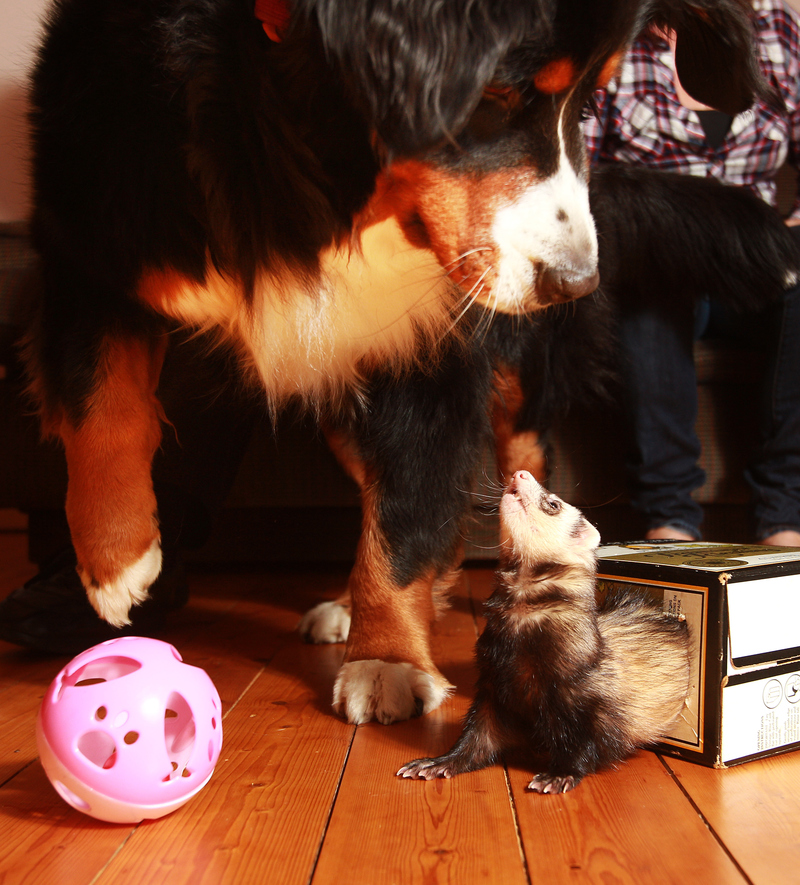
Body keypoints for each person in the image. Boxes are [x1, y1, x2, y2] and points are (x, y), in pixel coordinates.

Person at [583, 0, 800, 545]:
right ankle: (669, 521)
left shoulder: (778, 27)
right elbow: (575, 169)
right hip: (653, 259)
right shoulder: (620, 28)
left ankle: (785, 518)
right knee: (652, 281)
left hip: (756, 265)